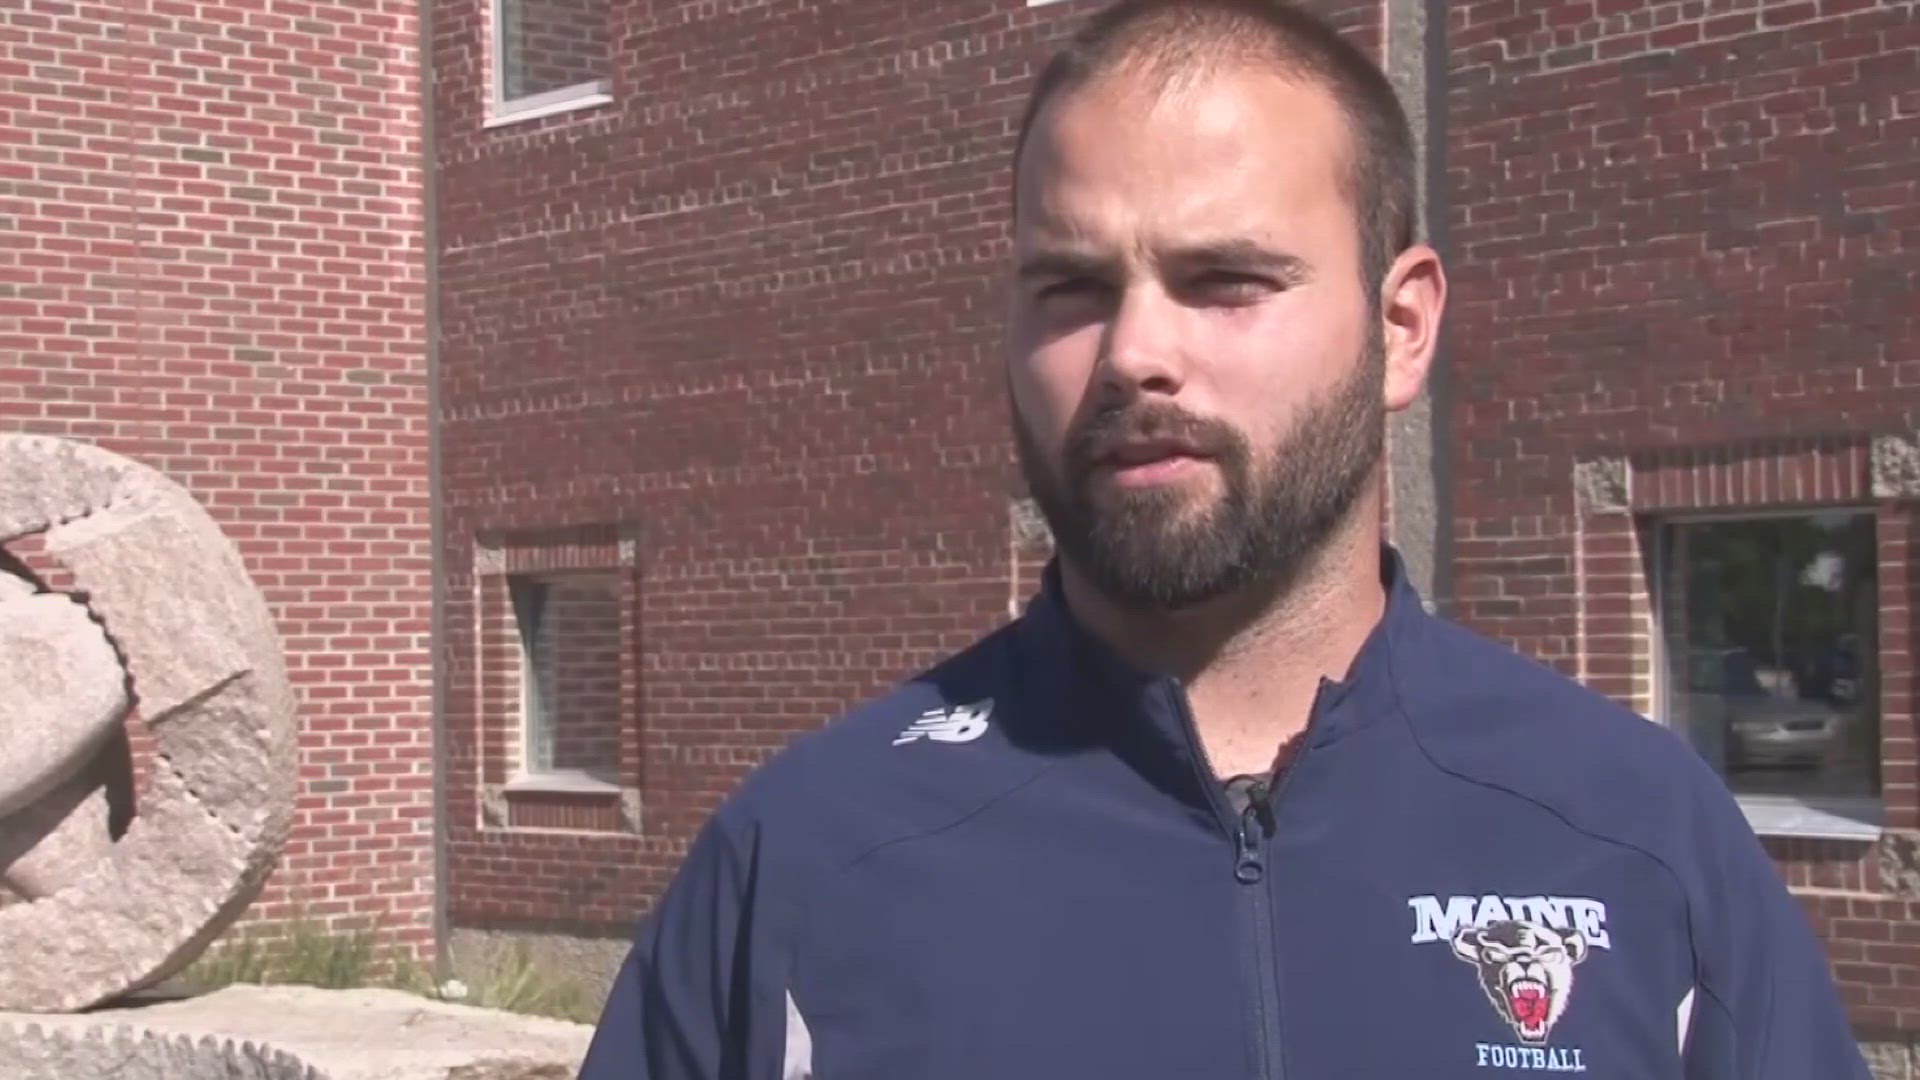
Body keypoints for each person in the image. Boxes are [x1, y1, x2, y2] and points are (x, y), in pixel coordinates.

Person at [578, 1, 1871, 1076]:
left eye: (1226, 282)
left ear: (1402, 326)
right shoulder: (805, 863)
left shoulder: (1638, 840)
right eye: (1073, 288)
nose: (1138, 353)